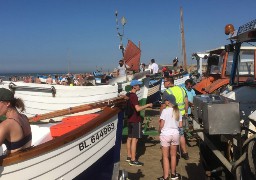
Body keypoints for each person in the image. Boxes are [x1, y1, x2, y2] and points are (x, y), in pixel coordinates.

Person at [161, 76, 189, 160]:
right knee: (181, 134)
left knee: (169, 133)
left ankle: (170, 152)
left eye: (165, 81)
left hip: (170, 116)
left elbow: (163, 106)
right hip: (181, 115)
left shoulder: (167, 92)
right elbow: (186, 102)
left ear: (169, 82)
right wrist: (186, 112)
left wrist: (161, 115)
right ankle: (185, 152)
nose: (164, 83)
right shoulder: (182, 89)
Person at [126, 79, 153, 166]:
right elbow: (137, 108)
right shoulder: (134, 96)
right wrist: (147, 105)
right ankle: (133, 160)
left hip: (130, 119)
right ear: (134, 86)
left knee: (129, 138)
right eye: (138, 85)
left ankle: (129, 156)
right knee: (135, 139)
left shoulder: (128, 94)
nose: (139, 86)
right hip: (135, 120)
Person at [0, 88, 32, 154]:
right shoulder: (24, 117)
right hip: (24, 158)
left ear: (7, 103)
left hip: (12, 162)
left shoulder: (6, 125)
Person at [159, 94, 182, 180]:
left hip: (166, 134)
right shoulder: (178, 111)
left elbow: (162, 124)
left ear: (168, 102)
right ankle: (173, 174)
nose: (164, 102)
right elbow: (180, 125)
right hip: (175, 134)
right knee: (173, 156)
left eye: (165, 100)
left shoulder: (165, 111)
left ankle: (165, 176)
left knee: (165, 157)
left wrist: (159, 130)